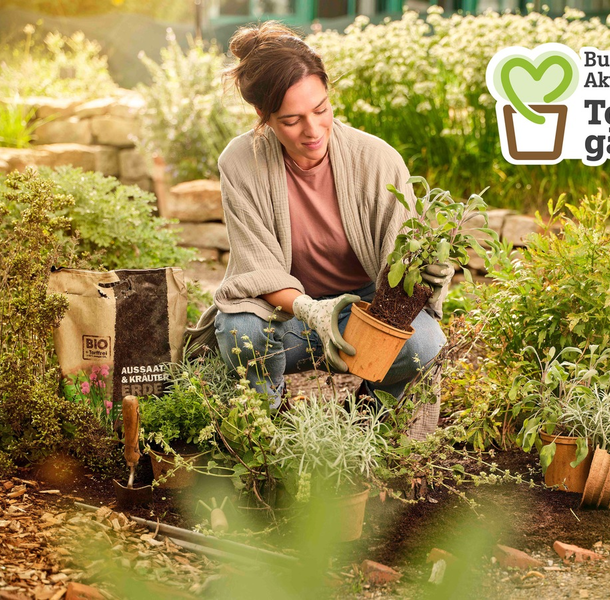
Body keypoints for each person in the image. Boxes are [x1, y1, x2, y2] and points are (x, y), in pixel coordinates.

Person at [188, 22, 452, 429]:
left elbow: (403, 263)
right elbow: (256, 267)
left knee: (424, 344)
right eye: (292, 120)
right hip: (286, 318)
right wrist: (311, 309)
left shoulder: (377, 160)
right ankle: (269, 428)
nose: (312, 131)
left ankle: (366, 419)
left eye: (321, 109)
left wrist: (429, 272)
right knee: (241, 332)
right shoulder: (240, 162)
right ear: (264, 115)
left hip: (361, 316)